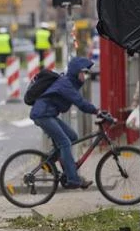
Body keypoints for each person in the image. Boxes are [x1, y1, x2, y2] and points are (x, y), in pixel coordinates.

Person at [30, 57, 102, 189]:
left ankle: (49, 161)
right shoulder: (66, 84)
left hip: (48, 114)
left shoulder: (70, 83)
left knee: (72, 136)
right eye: (83, 72)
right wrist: (97, 111)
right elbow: (80, 102)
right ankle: (73, 179)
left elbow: (79, 100)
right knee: (65, 142)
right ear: (76, 72)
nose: (85, 76)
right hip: (42, 114)